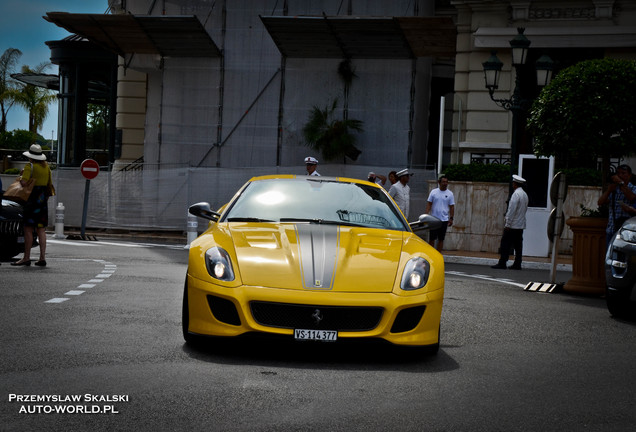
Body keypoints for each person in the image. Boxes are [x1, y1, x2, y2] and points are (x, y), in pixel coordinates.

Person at [11, 144, 53, 267]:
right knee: (41, 229)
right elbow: (49, 185)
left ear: (31, 156)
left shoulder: (30, 166)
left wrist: (21, 175)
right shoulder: (47, 168)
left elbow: (23, 183)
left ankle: (26, 257)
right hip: (42, 201)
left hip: (31, 201)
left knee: (28, 229)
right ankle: (42, 258)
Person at [491, 175, 529, 270]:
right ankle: (517, 263)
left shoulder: (516, 195)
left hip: (512, 225)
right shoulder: (524, 195)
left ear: (515, 184)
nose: (512, 185)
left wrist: (507, 223)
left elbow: (511, 210)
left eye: (513, 183)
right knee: (518, 245)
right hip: (520, 225)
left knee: (505, 243)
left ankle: (502, 262)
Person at [598, 164, 636, 247]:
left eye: (623, 173)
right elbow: (600, 202)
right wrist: (609, 190)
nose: (620, 175)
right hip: (611, 229)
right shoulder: (614, 189)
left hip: (626, 232)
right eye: (618, 173)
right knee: (610, 255)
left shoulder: (633, 188)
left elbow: (632, 197)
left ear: (629, 176)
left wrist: (621, 183)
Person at [425, 175, 455, 252]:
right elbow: (429, 204)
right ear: (439, 182)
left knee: (441, 239)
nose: (445, 183)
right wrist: (426, 216)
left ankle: (438, 254)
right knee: (432, 238)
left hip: (444, 220)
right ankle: (431, 254)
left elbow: (452, 207)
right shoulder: (433, 192)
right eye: (443, 182)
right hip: (434, 219)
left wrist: (451, 218)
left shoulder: (450, 194)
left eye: (446, 182)